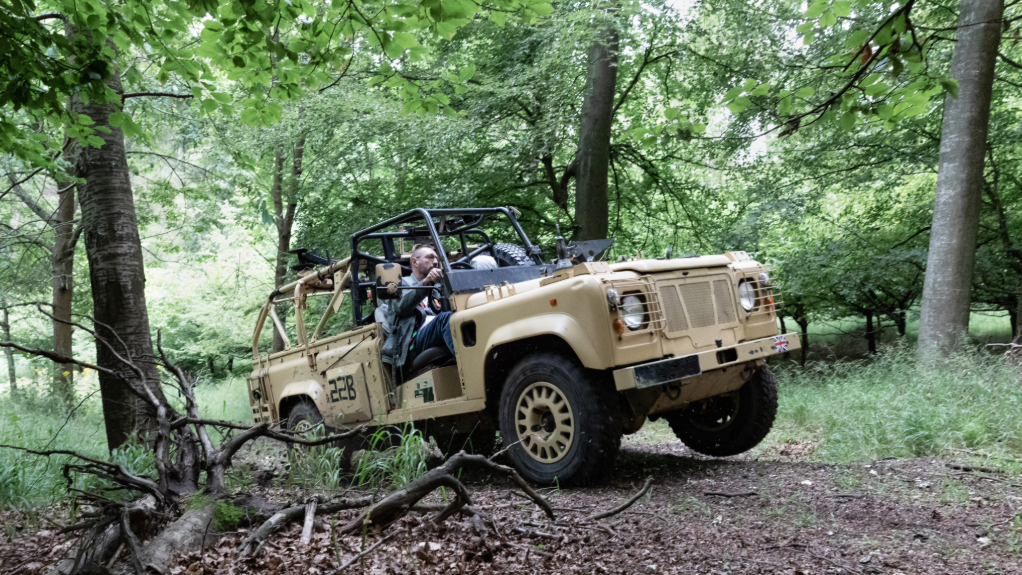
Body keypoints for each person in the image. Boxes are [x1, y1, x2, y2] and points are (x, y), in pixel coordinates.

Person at [380, 244, 455, 372]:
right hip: (411, 341)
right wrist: (425, 283)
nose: (436, 262)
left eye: (436, 258)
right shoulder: (398, 284)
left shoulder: (437, 287)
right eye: (430, 257)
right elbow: (400, 307)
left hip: (435, 332)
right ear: (415, 261)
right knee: (446, 319)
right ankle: (470, 366)